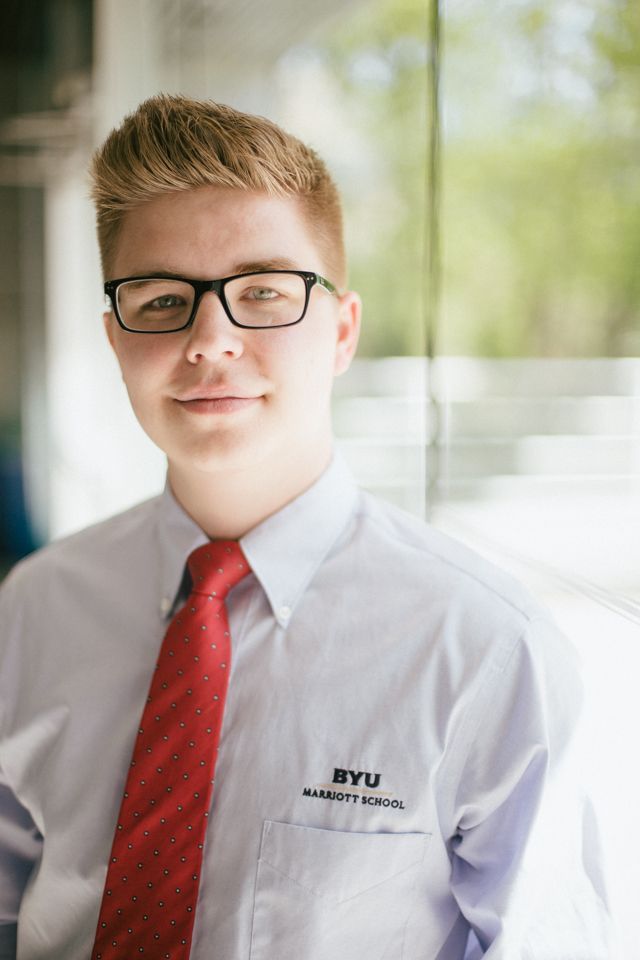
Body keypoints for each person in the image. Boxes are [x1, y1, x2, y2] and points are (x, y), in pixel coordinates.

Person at [0, 94, 609, 960]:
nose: (211, 339)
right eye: (162, 299)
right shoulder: (35, 607)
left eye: (262, 292)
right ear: (114, 337)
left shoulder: (482, 648)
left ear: (342, 331)